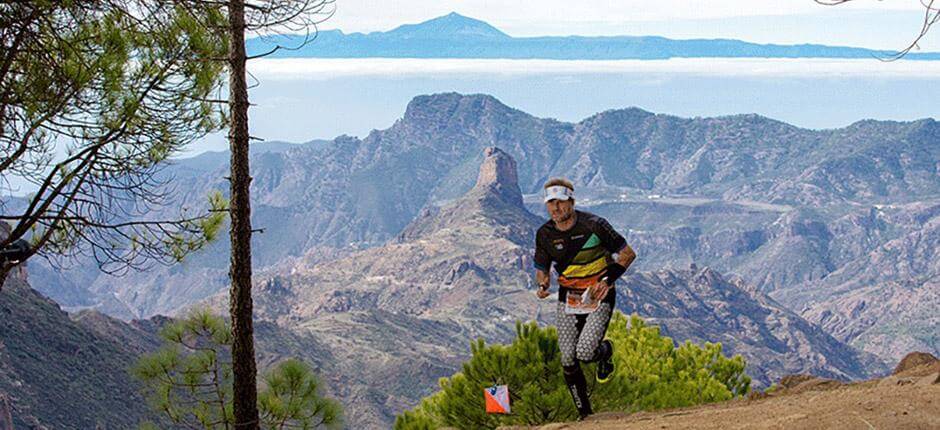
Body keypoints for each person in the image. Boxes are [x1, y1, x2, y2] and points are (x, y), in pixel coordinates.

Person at [533, 177, 636, 420]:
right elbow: (542, 266)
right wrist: (543, 282)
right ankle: (585, 416)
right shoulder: (544, 234)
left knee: (585, 352)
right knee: (568, 358)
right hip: (568, 298)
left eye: (560, 202)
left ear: (572, 201)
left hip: (599, 295)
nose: (555, 208)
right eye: (551, 203)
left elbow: (628, 254)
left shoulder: (595, 225)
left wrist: (607, 280)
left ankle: (606, 351)